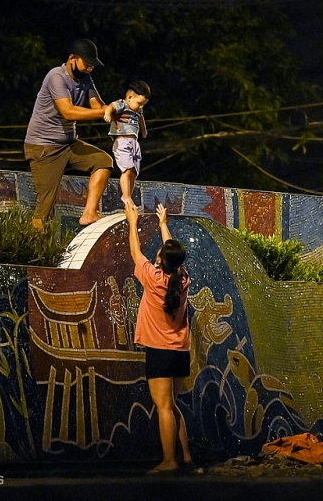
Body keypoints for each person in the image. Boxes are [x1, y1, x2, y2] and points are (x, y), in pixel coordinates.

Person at [126, 202, 193, 474]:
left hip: (160, 350)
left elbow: (134, 251)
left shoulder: (153, 277)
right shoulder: (183, 278)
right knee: (172, 405)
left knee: (163, 407)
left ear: (160, 260)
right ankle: (185, 455)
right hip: (180, 351)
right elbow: (172, 255)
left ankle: (169, 460)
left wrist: (133, 222)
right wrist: (163, 223)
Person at [24, 39, 113, 229]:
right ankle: (38, 254)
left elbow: (98, 106)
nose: (90, 68)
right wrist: (105, 112)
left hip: (69, 143)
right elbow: (68, 112)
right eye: (87, 63)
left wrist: (119, 111)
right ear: (73, 58)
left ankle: (89, 213)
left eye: (92, 65)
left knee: (103, 162)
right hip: (44, 147)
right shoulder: (56, 76)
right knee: (45, 209)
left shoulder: (86, 79)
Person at [104, 81, 150, 207]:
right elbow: (110, 107)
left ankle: (129, 194)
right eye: (139, 103)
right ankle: (126, 196)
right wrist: (108, 114)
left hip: (134, 142)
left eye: (143, 105)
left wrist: (144, 130)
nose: (141, 107)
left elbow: (141, 120)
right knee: (127, 170)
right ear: (130, 98)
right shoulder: (123, 104)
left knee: (134, 171)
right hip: (122, 141)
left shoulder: (138, 111)